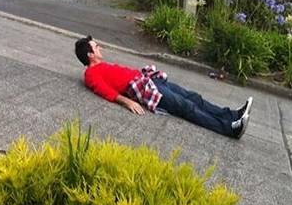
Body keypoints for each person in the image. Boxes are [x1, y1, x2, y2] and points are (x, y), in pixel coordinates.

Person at [74, 36, 253, 139]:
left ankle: (233, 115)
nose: (100, 48)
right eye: (97, 47)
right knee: (186, 107)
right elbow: (105, 91)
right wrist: (127, 102)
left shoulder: (101, 66)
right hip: (145, 90)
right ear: (90, 54)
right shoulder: (91, 73)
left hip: (150, 80)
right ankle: (230, 128)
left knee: (194, 98)